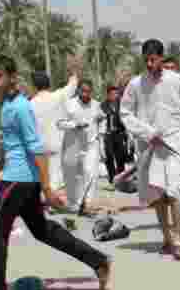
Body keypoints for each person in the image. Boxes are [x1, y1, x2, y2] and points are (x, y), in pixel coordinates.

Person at [0, 56, 110, 290]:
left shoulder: (20, 107)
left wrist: (47, 189)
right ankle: (98, 262)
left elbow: (36, 148)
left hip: (19, 180)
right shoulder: (7, 105)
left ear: (12, 78)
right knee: (42, 230)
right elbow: (14, 147)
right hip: (19, 177)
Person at [120, 39, 180, 261]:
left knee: (175, 192)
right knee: (157, 196)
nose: (149, 64)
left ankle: (178, 240)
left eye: (153, 59)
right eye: (146, 60)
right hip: (149, 146)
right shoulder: (135, 85)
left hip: (175, 146)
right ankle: (167, 238)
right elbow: (126, 113)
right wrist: (148, 133)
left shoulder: (176, 81)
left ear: (161, 58)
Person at [30, 60, 81, 192]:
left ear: (34, 86)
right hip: (56, 144)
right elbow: (72, 85)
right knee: (56, 176)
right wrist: (73, 72)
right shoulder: (57, 96)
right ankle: (54, 200)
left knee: (43, 176)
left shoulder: (30, 104)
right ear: (49, 84)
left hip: (39, 146)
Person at [58, 78, 103, 216]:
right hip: (72, 145)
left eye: (88, 92)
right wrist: (75, 125)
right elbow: (59, 123)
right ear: (78, 91)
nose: (85, 94)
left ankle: (88, 203)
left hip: (91, 144)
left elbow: (101, 120)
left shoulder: (96, 104)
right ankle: (75, 204)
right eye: (83, 91)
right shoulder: (69, 104)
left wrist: (101, 121)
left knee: (90, 173)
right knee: (73, 176)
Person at [101, 81, 130, 182]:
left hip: (119, 133)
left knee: (120, 155)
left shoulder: (121, 105)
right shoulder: (102, 106)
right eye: (112, 94)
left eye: (116, 94)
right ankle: (112, 177)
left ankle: (121, 177)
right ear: (108, 95)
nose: (115, 96)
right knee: (109, 155)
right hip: (108, 134)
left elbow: (126, 118)